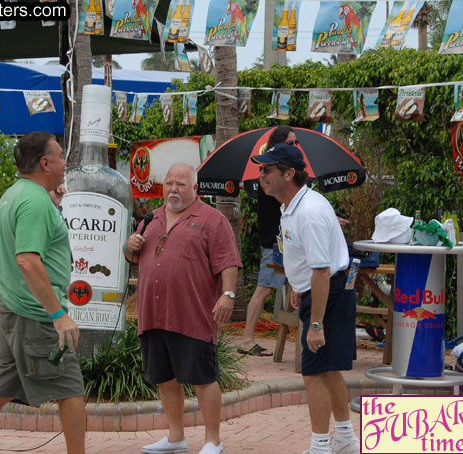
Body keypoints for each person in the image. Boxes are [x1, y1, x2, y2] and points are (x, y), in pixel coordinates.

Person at [0, 132, 85, 454]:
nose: (66, 163)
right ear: (45, 162)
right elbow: (27, 259)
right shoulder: (34, 202)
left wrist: (53, 205)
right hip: (34, 315)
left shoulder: (17, 195)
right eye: (61, 156)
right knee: (71, 390)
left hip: (11, 306)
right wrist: (59, 315)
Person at [124, 163, 242, 454]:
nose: (173, 189)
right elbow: (133, 258)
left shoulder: (212, 220)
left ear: (195, 189)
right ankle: (175, 438)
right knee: (164, 378)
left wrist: (227, 295)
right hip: (153, 315)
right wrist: (130, 246)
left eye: (180, 184)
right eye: (168, 184)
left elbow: (228, 261)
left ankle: (213, 441)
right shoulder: (151, 219)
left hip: (192, 314)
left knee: (203, 379)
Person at [252, 144, 359, 454]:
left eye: (268, 170)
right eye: (261, 170)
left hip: (328, 292)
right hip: (324, 291)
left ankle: (321, 446)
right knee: (327, 369)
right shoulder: (293, 206)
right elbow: (309, 261)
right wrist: (299, 285)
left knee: (313, 374)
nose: (262, 176)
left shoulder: (308, 211)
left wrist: (315, 323)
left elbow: (323, 271)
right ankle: (346, 439)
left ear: (289, 173)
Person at [239, 125, 296, 356]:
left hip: (282, 240)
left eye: (296, 144)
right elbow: (285, 201)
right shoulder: (269, 172)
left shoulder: (279, 170)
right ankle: (246, 340)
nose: (295, 147)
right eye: (291, 144)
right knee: (263, 289)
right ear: (279, 144)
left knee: (269, 289)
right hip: (275, 242)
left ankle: (249, 338)